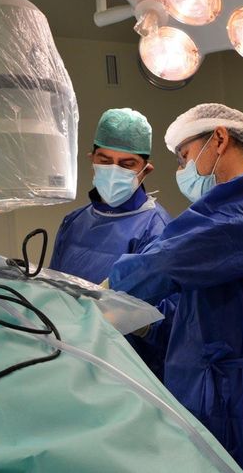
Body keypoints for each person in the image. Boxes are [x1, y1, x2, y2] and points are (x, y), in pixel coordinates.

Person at [107, 103, 243, 473]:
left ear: (219, 139)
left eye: (184, 157)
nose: (182, 170)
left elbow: (161, 264)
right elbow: (213, 305)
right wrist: (150, 322)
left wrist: (99, 292)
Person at [49, 107, 174, 378]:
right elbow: (55, 292)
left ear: (146, 169)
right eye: (105, 160)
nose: (113, 169)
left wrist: (133, 320)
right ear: (91, 158)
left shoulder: (157, 228)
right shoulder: (74, 221)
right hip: (73, 359)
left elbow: (167, 326)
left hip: (128, 372)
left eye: (127, 164)